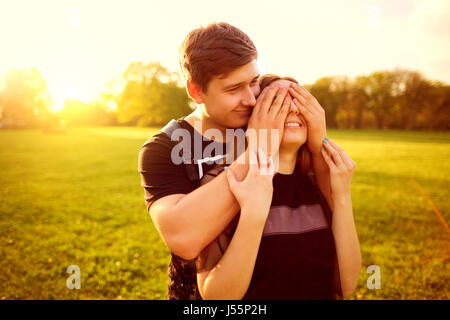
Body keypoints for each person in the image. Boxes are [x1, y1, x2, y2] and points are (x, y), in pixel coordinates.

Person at [138, 22, 333, 299]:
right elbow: (184, 239)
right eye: (233, 89)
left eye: (254, 82)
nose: (251, 99)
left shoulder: (264, 119)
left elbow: (322, 192)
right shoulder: (165, 147)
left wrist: (318, 142)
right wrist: (258, 150)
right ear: (195, 91)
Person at [196, 75, 362, 299]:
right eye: (278, 101)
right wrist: (253, 214)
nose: (293, 109)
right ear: (253, 116)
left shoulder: (318, 182)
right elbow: (217, 297)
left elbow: (346, 286)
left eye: (300, 100)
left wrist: (342, 197)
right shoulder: (227, 182)